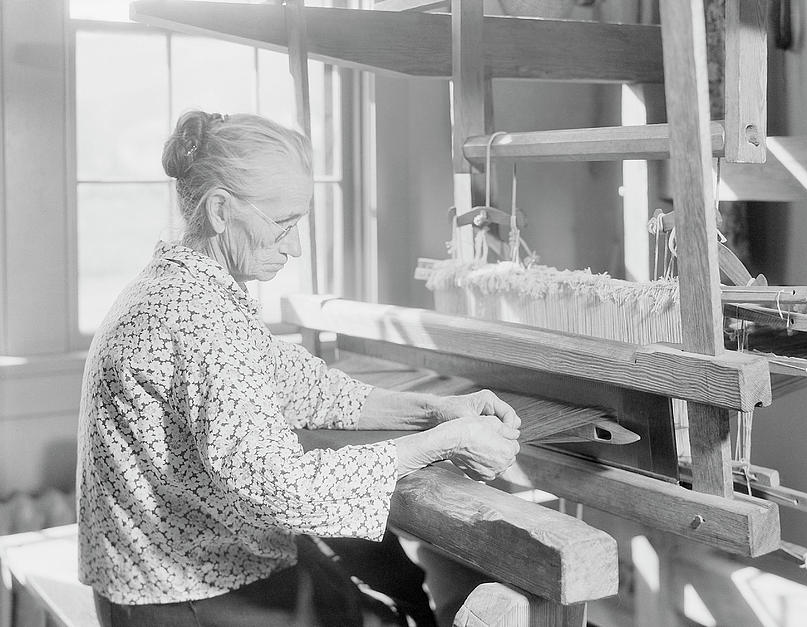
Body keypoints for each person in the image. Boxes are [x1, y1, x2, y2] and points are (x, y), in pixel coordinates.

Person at [76, 110, 521, 627]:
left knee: (384, 592)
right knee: (381, 613)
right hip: (177, 594)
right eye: (284, 225)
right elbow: (283, 489)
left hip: (176, 567)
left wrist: (440, 411)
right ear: (220, 209)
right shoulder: (198, 317)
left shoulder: (187, 283)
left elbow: (300, 384)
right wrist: (445, 443)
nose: (296, 247)